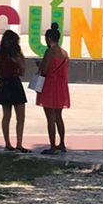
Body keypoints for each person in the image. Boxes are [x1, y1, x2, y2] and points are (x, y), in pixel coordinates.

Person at [0, 28, 28, 151]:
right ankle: (19, 143)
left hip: (4, 84)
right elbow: (22, 71)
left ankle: (7, 143)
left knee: (6, 116)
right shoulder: (17, 56)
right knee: (20, 116)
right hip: (14, 83)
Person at [37, 24, 70, 153]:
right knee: (58, 117)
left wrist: (40, 66)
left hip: (50, 86)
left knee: (50, 117)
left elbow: (44, 69)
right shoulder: (64, 53)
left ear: (49, 38)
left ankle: (52, 146)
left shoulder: (50, 51)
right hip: (61, 86)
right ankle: (62, 143)